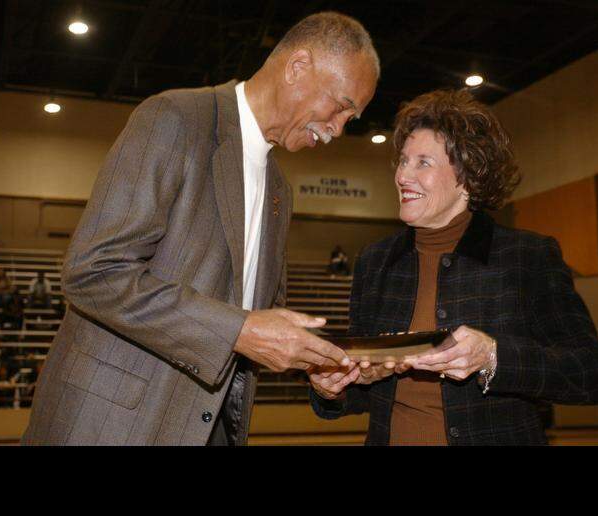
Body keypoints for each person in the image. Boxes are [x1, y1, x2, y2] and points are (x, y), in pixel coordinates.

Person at [22, 11, 380, 446]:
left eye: (351, 119)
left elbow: (257, 318)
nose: (339, 129)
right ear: (298, 66)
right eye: (341, 107)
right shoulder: (173, 117)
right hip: (110, 426)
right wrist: (240, 331)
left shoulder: (280, 191)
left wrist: (315, 362)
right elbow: (93, 271)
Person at [308, 90, 598, 445]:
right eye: (403, 161)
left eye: (423, 162)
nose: (403, 175)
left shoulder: (527, 256)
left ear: (468, 175)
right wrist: (336, 386)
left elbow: (594, 374)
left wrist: (492, 356)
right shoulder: (375, 262)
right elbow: (369, 391)